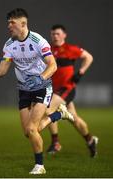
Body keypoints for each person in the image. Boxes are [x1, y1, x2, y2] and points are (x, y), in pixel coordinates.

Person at [0, 9, 74, 174]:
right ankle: (58, 115)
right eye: (8, 23)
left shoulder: (38, 41)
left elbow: (53, 65)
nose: (9, 26)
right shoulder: (9, 45)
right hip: (24, 90)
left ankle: (39, 166)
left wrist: (40, 78)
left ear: (23, 24)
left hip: (42, 87)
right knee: (28, 132)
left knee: (32, 129)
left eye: (12, 22)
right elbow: (1, 71)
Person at [46, 24, 98, 157]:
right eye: (53, 34)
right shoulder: (49, 50)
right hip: (55, 89)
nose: (55, 36)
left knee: (48, 108)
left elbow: (89, 57)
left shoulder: (70, 49)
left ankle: (55, 142)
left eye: (58, 34)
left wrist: (80, 73)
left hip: (67, 88)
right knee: (74, 119)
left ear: (64, 35)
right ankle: (90, 140)